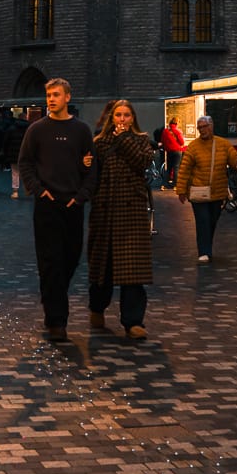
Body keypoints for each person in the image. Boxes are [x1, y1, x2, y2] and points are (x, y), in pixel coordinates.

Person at [17, 78, 95, 341]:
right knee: (50, 262)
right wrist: (39, 190)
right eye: (48, 94)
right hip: (47, 205)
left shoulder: (82, 130)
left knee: (71, 258)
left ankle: (52, 299)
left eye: (56, 95)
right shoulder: (37, 130)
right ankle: (57, 319)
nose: (51, 99)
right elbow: (25, 163)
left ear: (67, 98)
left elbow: (91, 166)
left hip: (72, 204)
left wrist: (82, 195)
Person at [86, 100, 154, 338]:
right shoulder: (100, 143)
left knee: (133, 272)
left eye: (126, 115)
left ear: (133, 118)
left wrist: (124, 138)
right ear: (111, 118)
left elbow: (142, 162)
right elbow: (90, 172)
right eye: (118, 115)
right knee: (103, 268)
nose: (122, 119)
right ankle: (97, 307)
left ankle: (134, 321)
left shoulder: (141, 140)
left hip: (131, 213)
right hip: (106, 211)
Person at [175, 116, 237, 263]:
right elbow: (184, 169)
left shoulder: (223, 144)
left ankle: (207, 247)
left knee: (212, 220)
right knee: (202, 220)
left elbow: (235, 161)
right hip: (198, 192)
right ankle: (204, 251)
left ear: (211, 126)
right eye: (200, 128)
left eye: (204, 127)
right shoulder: (193, 147)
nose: (202, 130)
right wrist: (181, 190)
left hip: (217, 191)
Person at [160, 118, 186, 188]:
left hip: (169, 152)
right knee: (176, 168)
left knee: (168, 168)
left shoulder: (165, 131)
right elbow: (182, 142)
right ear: (176, 124)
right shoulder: (177, 131)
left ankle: (164, 184)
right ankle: (175, 185)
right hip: (177, 151)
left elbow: (162, 141)